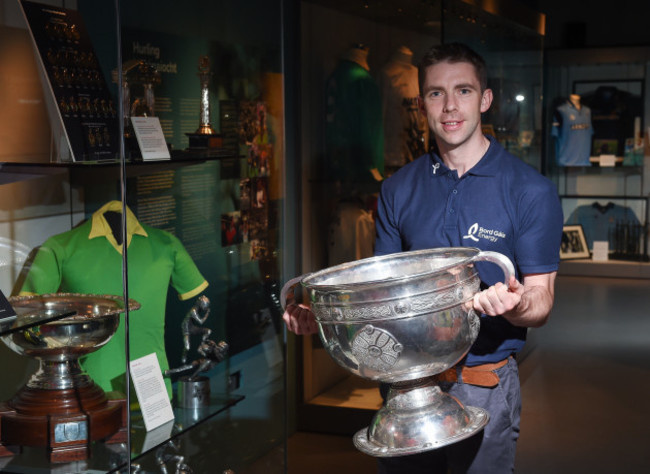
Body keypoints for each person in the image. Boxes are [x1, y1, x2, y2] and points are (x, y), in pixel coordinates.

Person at [284, 42, 563, 473]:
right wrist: (322, 318)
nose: (450, 106)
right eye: (436, 93)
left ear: (485, 99)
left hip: (483, 384)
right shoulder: (398, 189)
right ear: (421, 104)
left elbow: (541, 302)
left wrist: (515, 302)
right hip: (405, 389)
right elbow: (378, 301)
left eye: (464, 91)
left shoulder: (530, 190)